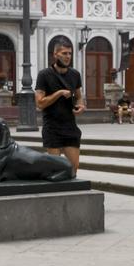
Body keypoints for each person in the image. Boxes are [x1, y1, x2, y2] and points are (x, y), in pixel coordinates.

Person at [34, 41, 85, 174]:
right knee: (55, 169)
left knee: (73, 167)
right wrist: (59, 93)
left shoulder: (75, 74)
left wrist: (81, 106)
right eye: (64, 53)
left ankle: (70, 193)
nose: (68, 56)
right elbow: (39, 104)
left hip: (70, 126)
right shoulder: (44, 75)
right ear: (55, 54)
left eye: (70, 53)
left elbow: (79, 96)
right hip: (52, 127)